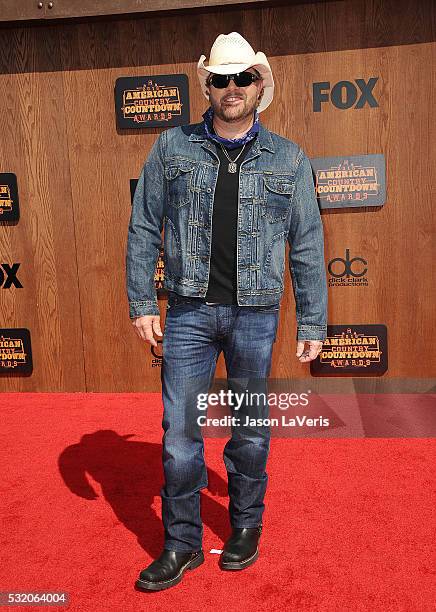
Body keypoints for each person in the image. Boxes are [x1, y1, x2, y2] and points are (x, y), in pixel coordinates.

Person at [126, 32, 328, 591]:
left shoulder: (288, 157)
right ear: (206, 85)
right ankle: (182, 543)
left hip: (256, 314)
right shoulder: (171, 147)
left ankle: (244, 528)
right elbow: (144, 226)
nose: (232, 87)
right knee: (179, 433)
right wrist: (143, 301)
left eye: (242, 78)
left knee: (249, 430)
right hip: (188, 311)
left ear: (260, 84)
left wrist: (313, 320)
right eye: (220, 79)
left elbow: (307, 243)